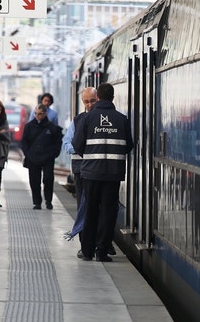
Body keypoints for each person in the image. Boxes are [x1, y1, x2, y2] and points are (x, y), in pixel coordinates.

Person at [73, 83, 134, 261]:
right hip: (113, 174)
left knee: (90, 211)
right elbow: (129, 145)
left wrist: (91, 156)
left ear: (98, 97)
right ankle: (102, 252)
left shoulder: (87, 118)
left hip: (91, 173)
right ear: (113, 97)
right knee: (108, 212)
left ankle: (87, 251)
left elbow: (77, 144)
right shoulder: (122, 119)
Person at [63, 87, 98, 225]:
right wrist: (80, 149)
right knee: (82, 206)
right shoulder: (77, 120)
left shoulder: (102, 119)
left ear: (98, 99)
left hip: (97, 169)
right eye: (86, 102)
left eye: (93, 101)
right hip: (80, 169)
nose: (90, 105)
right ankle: (83, 234)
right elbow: (66, 144)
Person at [21, 104, 63, 210]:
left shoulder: (52, 128)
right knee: (34, 181)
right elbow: (24, 142)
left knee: (48, 179)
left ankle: (48, 201)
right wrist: (28, 154)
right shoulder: (29, 126)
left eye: (40, 114)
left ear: (45, 114)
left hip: (47, 157)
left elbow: (57, 142)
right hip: (33, 157)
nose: (37, 116)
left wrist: (54, 154)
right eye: (36, 113)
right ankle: (37, 202)